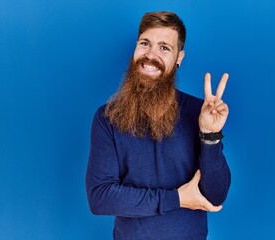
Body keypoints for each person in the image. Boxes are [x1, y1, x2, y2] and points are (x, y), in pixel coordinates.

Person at [86, 11, 231, 240]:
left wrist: (210, 135)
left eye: (164, 48)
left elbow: (216, 196)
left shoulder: (198, 113)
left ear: (179, 58)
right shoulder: (107, 118)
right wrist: (177, 199)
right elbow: (100, 197)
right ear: (135, 49)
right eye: (145, 43)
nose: (151, 55)